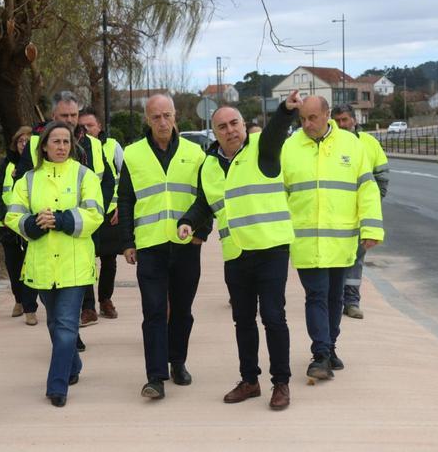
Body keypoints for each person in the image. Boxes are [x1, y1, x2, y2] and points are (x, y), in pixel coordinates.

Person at [177, 92, 302, 410]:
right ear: (214, 132)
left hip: (271, 247)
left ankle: (281, 383)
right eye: (222, 126)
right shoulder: (209, 166)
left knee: (273, 317)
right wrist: (188, 221)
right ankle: (250, 380)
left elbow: (276, 131)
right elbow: (205, 203)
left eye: (235, 123)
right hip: (235, 253)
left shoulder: (263, 149)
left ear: (244, 125)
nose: (230, 130)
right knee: (243, 320)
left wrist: (286, 110)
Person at [281, 96, 384, 381]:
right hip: (304, 241)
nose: (307, 124)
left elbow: (367, 188)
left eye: (313, 118)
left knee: (335, 297)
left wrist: (371, 229)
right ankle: (321, 355)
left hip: (341, 240)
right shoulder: (290, 147)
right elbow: (281, 193)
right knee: (315, 295)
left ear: (327, 115)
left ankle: (330, 346)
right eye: (302, 119)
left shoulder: (351, 145)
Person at [5, 122, 104, 407]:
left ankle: (56, 386)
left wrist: (60, 220)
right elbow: (13, 215)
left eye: (66, 142)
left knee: (65, 325)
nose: (61, 147)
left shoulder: (85, 175)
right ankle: (72, 366)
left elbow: (95, 214)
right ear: (44, 146)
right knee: (54, 323)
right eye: (56, 141)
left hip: (75, 263)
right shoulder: (28, 179)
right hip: (41, 264)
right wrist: (34, 223)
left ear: (72, 146)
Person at [119, 93, 209, 399]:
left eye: (167, 115)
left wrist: (202, 231)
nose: (162, 122)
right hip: (150, 245)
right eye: (155, 117)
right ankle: (155, 377)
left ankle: (178, 362)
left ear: (175, 117)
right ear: (147, 119)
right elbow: (126, 200)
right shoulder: (132, 154)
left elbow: (205, 196)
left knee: (182, 310)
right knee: (154, 311)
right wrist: (128, 242)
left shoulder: (195, 153)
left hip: (186, 245)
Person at [14, 91, 115, 332]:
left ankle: (83, 316)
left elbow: (107, 180)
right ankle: (70, 338)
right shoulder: (36, 144)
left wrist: (96, 209)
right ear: (53, 116)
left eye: (74, 114)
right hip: (47, 230)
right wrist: (33, 221)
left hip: (87, 222)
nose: (70, 119)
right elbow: (25, 181)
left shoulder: (93, 143)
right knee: (59, 307)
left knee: (82, 273)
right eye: (64, 115)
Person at [332, 104, 389, 320]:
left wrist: (371, 208)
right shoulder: (327, 145)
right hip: (335, 215)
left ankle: (352, 302)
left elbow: (382, 178)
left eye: (345, 120)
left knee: (356, 258)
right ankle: (335, 301)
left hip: (360, 215)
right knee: (337, 259)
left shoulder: (369, 143)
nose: (341, 125)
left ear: (354, 120)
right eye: (336, 121)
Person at [0, 125, 39, 325]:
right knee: (13, 267)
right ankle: (18, 299)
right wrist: (6, 216)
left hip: (29, 225)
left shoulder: (37, 166)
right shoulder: (5, 165)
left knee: (31, 267)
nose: (24, 145)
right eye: (21, 141)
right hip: (8, 226)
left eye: (28, 141)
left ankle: (30, 308)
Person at [78, 107, 123, 320]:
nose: (86, 129)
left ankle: (105, 299)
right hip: (84, 213)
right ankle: (88, 307)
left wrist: (120, 206)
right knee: (86, 259)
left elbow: (125, 178)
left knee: (108, 259)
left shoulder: (112, 146)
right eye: (82, 126)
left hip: (109, 211)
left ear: (99, 127)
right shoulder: (74, 146)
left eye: (90, 125)